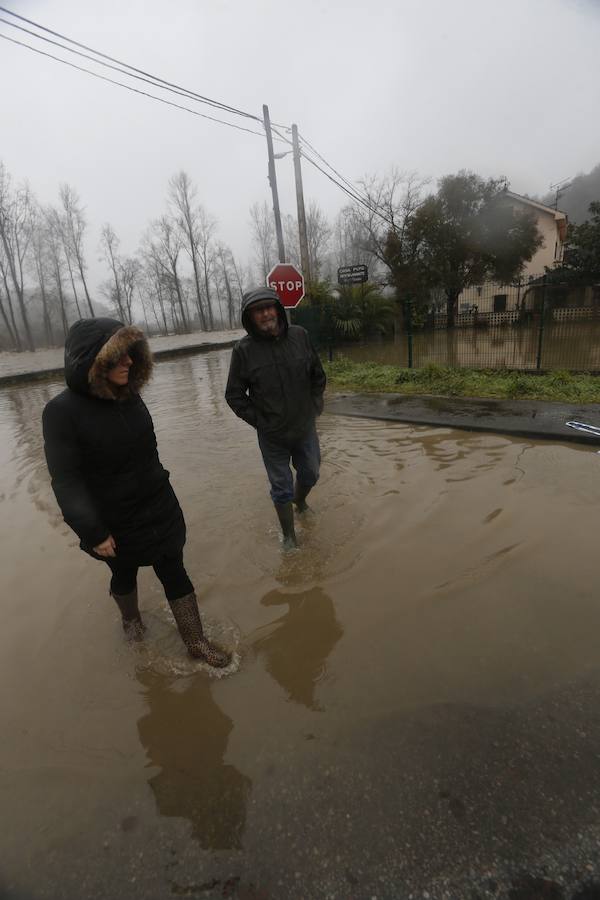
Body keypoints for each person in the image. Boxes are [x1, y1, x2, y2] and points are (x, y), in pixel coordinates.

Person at [42, 317, 230, 668]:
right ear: (93, 361)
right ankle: (132, 623)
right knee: (123, 574)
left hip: (159, 505)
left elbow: (150, 452)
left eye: (131, 353)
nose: (129, 361)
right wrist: (94, 532)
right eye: (119, 356)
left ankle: (196, 642)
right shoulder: (61, 412)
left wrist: (164, 496)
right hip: (114, 520)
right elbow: (65, 481)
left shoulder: (130, 394)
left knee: (174, 568)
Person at [225, 287, 326, 549]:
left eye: (270, 307)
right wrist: (260, 421)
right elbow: (234, 395)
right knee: (280, 486)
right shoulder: (243, 351)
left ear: (279, 309)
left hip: (304, 427)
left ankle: (300, 501)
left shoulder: (300, 336)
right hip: (273, 436)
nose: (266, 313)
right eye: (259, 310)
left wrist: (315, 405)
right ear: (250, 316)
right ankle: (289, 537)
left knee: (311, 473)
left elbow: (318, 374)